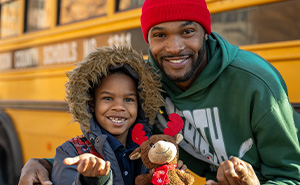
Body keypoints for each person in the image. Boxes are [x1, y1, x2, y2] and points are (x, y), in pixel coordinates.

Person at [18, 0, 300, 184]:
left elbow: (291, 174)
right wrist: (43, 163)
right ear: (148, 40)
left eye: (187, 32)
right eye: (160, 35)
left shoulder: (256, 82)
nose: (174, 48)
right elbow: (125, 146)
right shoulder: (146, 84)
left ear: (206, 33)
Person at [51, 46, 164, 185]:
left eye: (128, 100)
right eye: (108, 98)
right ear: (91, 104)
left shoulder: (153, 150)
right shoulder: (71, 152)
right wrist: (91, 180)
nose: (119, 107)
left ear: (141, 105)